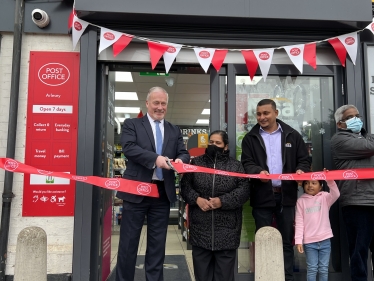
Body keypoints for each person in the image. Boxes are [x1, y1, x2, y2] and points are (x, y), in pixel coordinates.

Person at [116, 86, 190, 281]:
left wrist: (182, 160)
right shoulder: (132, 124)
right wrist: (155, 158)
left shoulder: (174, 130)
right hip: (135, 192)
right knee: (128, 245)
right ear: (147, 103)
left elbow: (183, 152)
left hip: (161, 194)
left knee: (157, 246)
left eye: (163, 103)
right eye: (156, 102)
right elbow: (129, 148)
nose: (160, 107)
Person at [241, 98, 310, 281]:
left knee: (287, 241)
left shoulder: (292, 135)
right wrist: (257, 171)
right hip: (261, 196)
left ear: (276, 113)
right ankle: (264, 277)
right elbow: (246, 163)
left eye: (266, 113)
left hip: (286, 196)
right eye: (259, 114)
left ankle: (286, 277)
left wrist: (301, 171)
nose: (262, 117)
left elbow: (304, 159)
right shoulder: (250, 138)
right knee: (263, 240)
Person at [180, 130, 250, 281]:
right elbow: (185, 186)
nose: (213, 145)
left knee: (224, 277)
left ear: (225, 146)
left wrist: (222, 201)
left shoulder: (236, 166)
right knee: (202, 276)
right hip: (201, 232)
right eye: (211, 142)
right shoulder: (196, 163)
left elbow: (244, 191)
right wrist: (197, 199)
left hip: (227, 234)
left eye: (218, 143)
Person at [331, 104, 374, 281]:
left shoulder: (367, 138)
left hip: (372, 200)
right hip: (357, 202)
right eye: (350, 117)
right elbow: (368, 147)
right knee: (359, 251)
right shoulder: (339, 140)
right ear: (340, 124)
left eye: (357, 116)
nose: (356, 119)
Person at [295, 175, 340, 281]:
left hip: (325, 240)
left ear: (320, 186)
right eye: (306, 183)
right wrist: (298, 241)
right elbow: (299, 222)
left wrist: (329, 179)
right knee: (312, 269)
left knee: (324, 269)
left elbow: (336, 194)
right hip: (309, 242)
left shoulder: (325, 197)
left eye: (314, 183)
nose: (310, 185)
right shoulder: (301, 201)